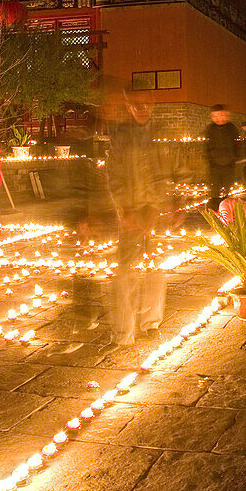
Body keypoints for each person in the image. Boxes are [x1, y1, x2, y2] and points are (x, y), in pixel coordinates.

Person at [106, 95, 168, 346]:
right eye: (137, 105)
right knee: (126, 269)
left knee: (157, 267)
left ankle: (151, 322)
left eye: (147, 104)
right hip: (132, 209)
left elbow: (164, 171)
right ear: (129, 107)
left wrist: (162, 205)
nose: (143, 109)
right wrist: (125, 208)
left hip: (156, 210)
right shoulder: (121, 136)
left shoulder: (158, 134)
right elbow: (114, 174)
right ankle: (125, 331)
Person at [204, 104, 239, 211]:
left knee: (227, 191)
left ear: (226, 115)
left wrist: (235, 159)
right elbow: (207, 146)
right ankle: (214, 212)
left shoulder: (232, 128)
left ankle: (227, 212)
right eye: (215, 116)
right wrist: (209, 160)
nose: (218, 118)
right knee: (214, 191)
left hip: (229, 165)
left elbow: (237, 145)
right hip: (214, 166)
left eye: (221, 115)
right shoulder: (210, 129)